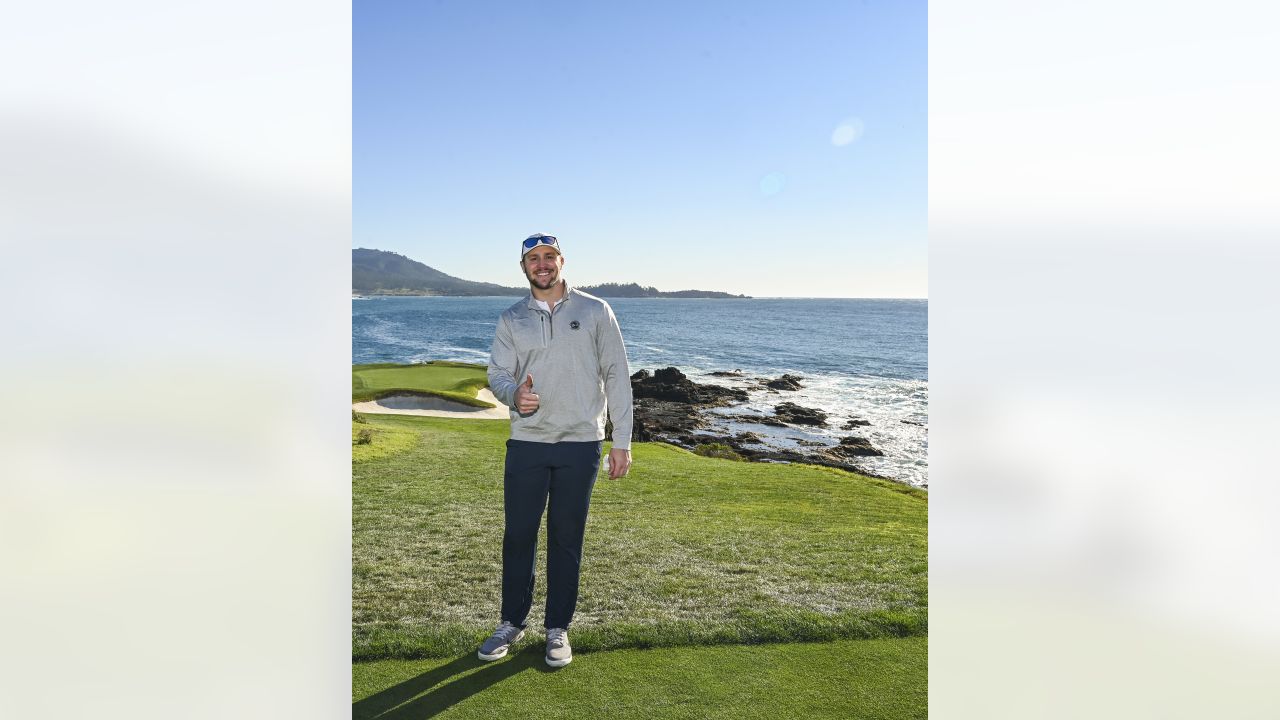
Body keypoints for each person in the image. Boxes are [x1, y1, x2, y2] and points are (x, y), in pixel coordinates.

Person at [478, 232, 633, 668]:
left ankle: (557, 628)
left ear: (562, 261)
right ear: (524, 267)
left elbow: (617, 375)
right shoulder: (511, 318)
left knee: (567, 539)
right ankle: (511, 622)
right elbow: (498, 373)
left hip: (581, 443)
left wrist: (621, 440)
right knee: (519, 537)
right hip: (527, 443)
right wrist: (514, 396)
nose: (542, 264)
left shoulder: (595, 310)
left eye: (549, 256)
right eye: (533, 259)